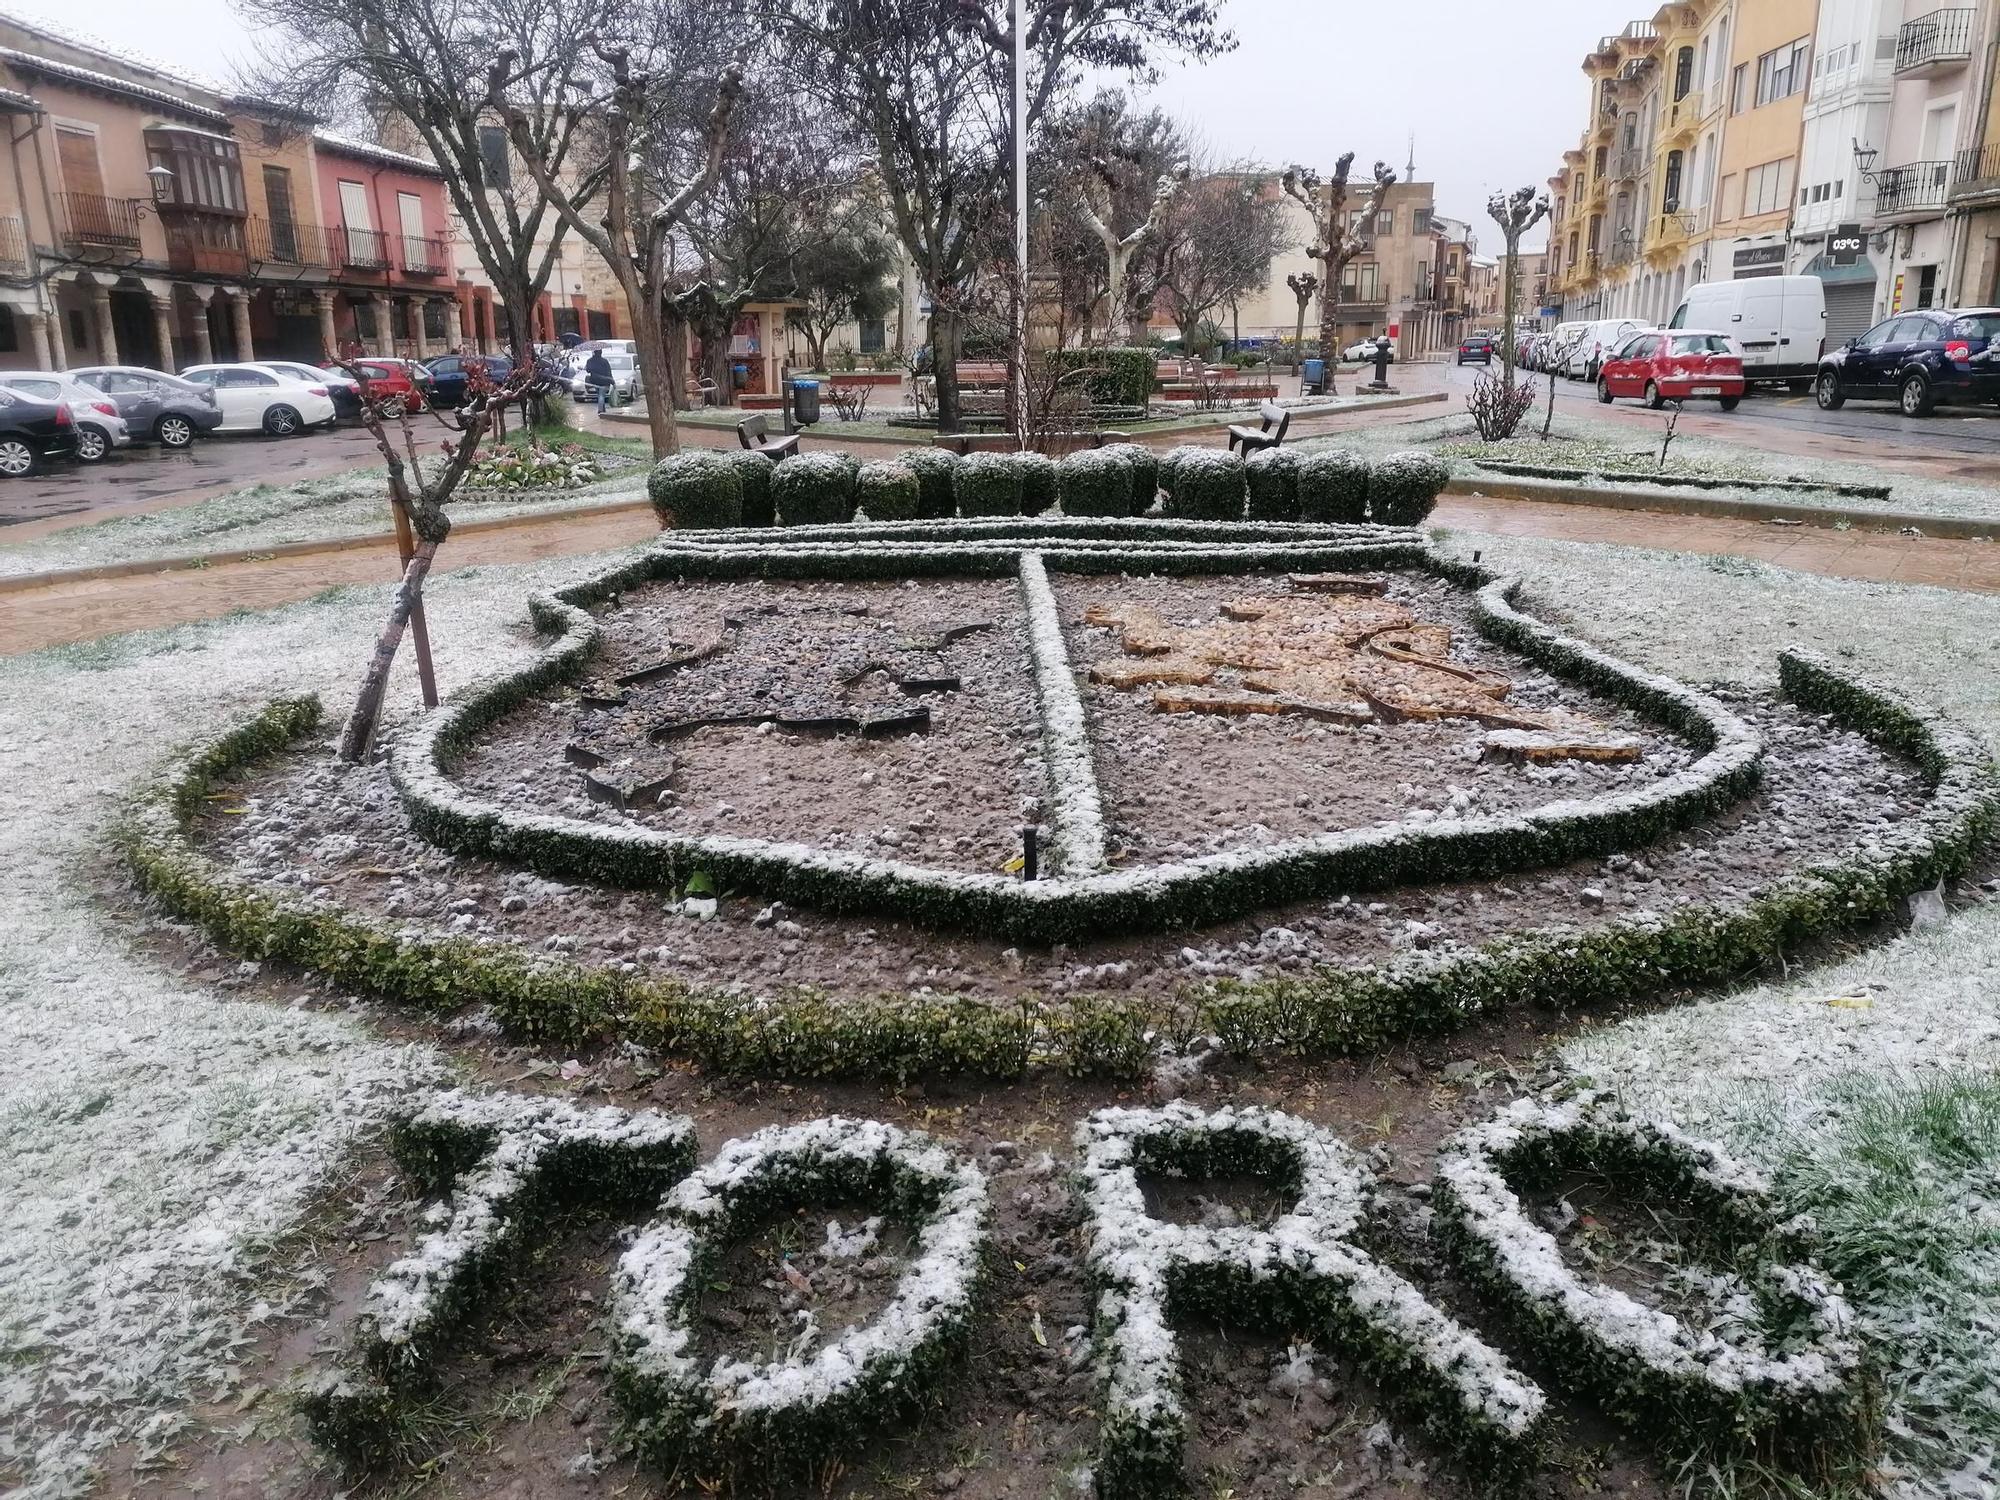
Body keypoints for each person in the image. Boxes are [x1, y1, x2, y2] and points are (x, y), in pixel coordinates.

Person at [584, 348, 614, 414]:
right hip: (604, 381)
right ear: (601, 353)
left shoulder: (590, 361)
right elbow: (609, 371)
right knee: (601, 395)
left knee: (599, 395)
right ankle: (601, 410)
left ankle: (602, 409)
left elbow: (588, 370)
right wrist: (612, 381)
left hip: (595, 381)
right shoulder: (604, 361)